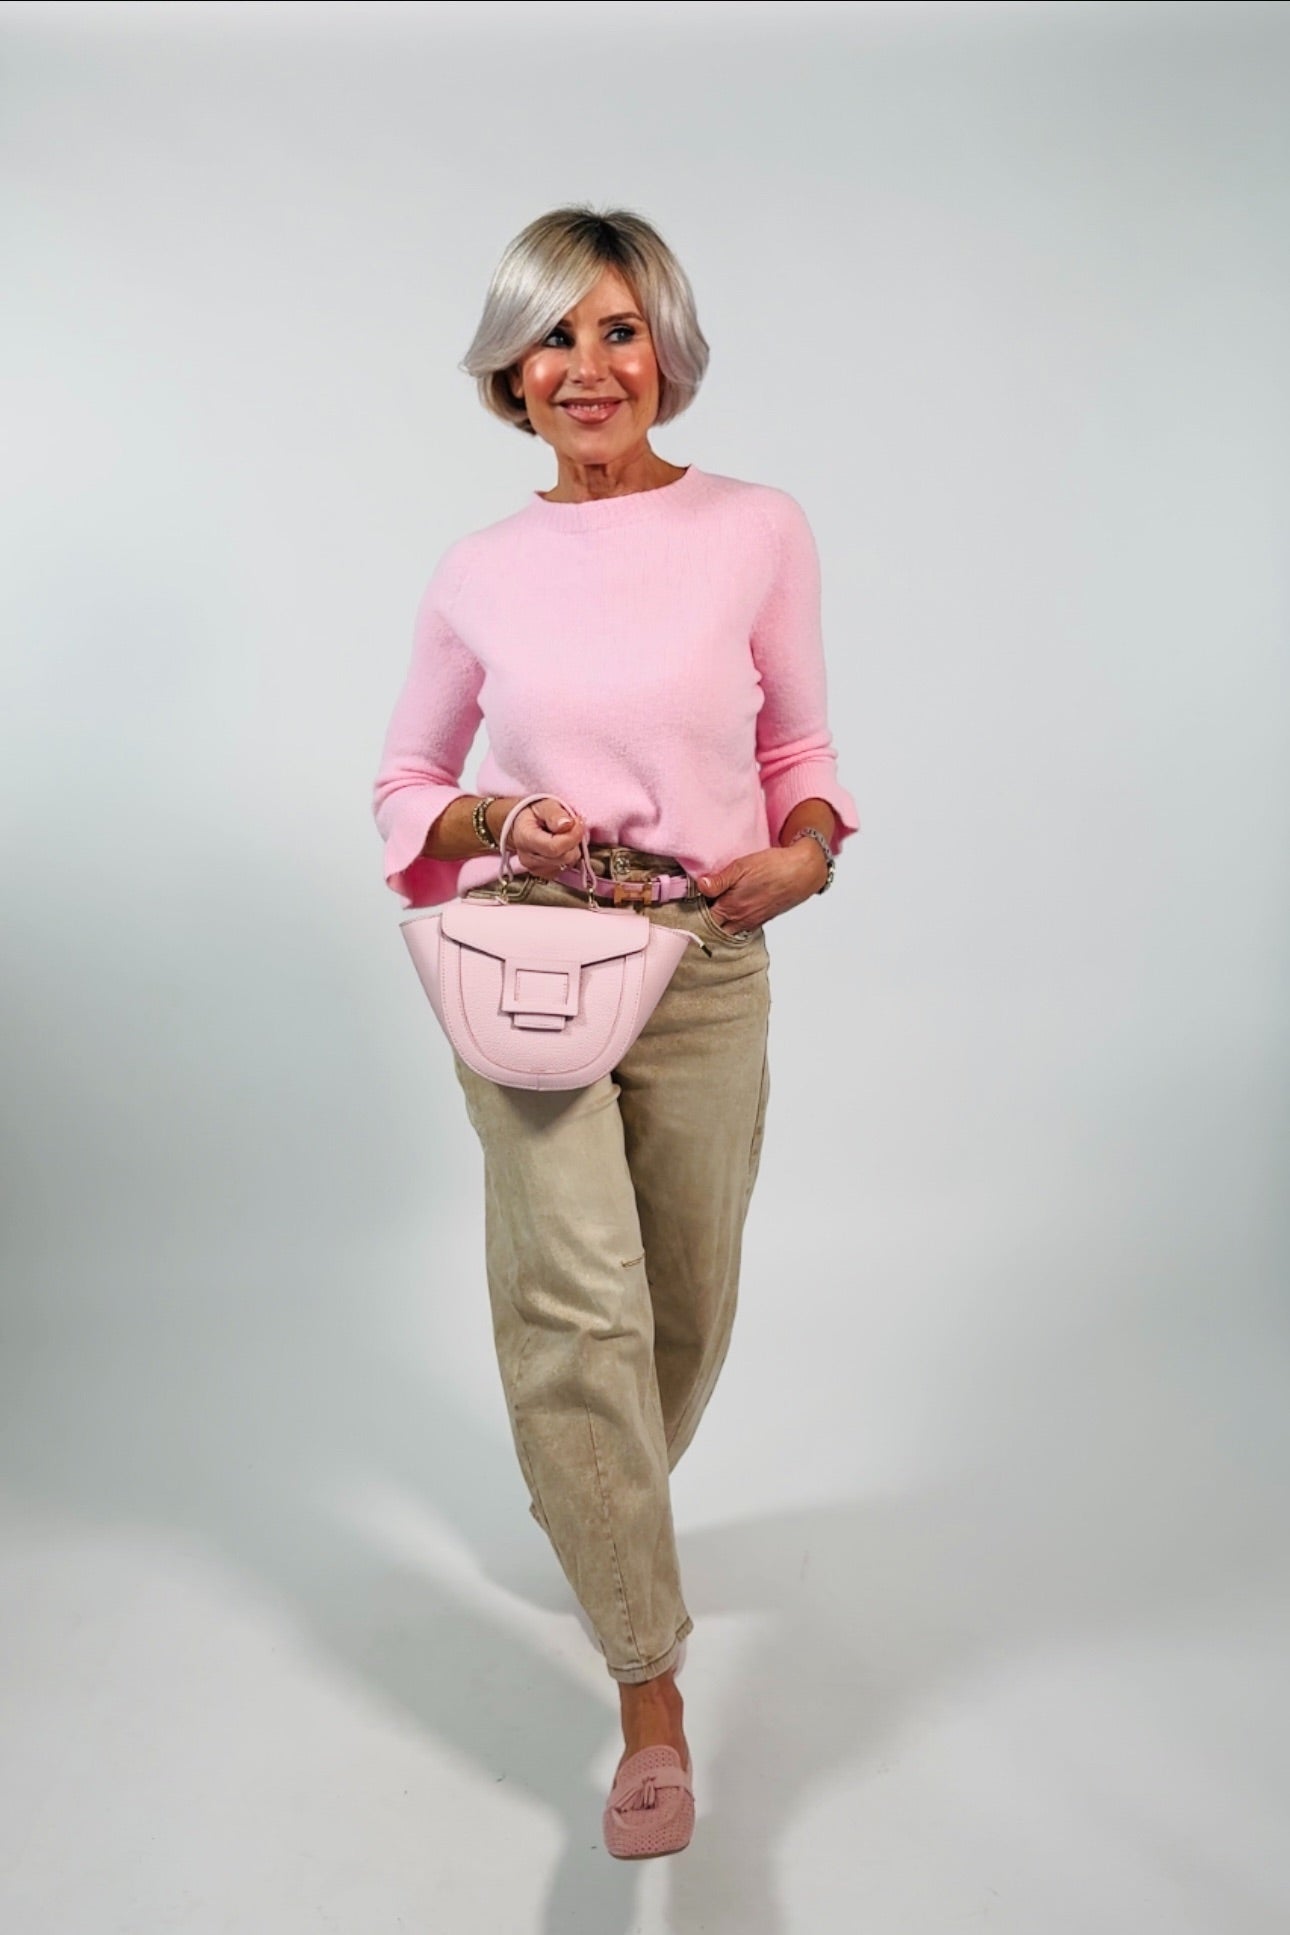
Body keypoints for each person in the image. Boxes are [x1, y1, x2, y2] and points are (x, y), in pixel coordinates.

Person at [371, 204, 858, 1857]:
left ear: (666, 349)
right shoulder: (478, 570)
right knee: (576, 1310)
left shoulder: (756, 529)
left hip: (706, 955)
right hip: (532, 953)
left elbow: (799, 752)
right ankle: (649, 1691)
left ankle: (588, 1492)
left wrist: (805, 856)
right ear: (510, 370)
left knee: (680, 1309)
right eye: (553, 336)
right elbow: (406, 785)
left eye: (618, 329)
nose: (588, 366)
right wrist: (497, 819)